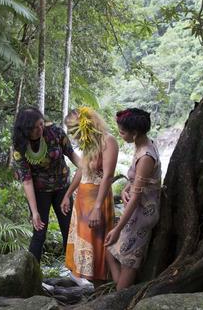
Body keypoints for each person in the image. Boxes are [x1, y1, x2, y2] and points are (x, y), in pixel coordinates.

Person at [12, 107, 81, 262]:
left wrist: (86, 168)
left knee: (69, 229)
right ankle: (31, 274)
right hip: (39, 192)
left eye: (41, 124)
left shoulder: (55, 132)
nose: (40, 129)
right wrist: (34, 212)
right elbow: (27, 180)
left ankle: (74, 272)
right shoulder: (20, 147)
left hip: (62, 187)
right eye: (35, 128)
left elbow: (71, 154)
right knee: (39, 232)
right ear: (25, 130)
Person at [105, 108, 162, 290]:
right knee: (110, 251)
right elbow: (138, 181)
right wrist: (125, 190)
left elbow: (137, 196)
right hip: (135, 209)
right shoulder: (141, 145)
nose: (120, 135)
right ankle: (119, 289)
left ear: (135, 133)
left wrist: (117, 229)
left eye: (122, 132)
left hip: (142, 214)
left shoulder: (146, 156)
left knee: (128, 261)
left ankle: (121, 295)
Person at [61, 107, 118, 287]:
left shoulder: (108, 142)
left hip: (97, 201)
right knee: (83, 243)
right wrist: (68, 194)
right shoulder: (88, 144)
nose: (71, 135)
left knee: (97, 244)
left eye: (72, 130)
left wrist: (97, 208)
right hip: (82, 201)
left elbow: (108, 176)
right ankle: (88, 285)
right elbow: (81, 171)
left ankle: (101, 287)